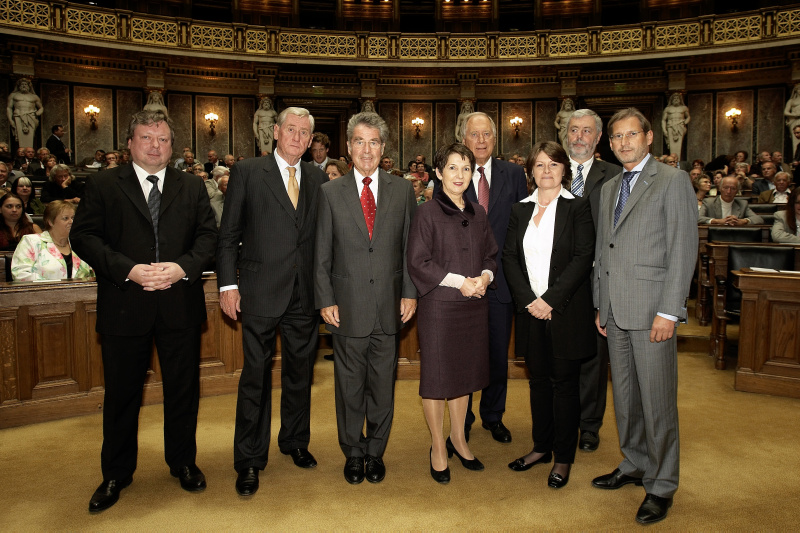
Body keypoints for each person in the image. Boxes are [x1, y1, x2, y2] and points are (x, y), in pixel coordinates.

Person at [71, 110, 217, 513]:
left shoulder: (191, 186)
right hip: (124, 305)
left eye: (164, 139)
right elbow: (83, 235)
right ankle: (116, 473)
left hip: (179, 305)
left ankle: (183, 463)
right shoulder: (103, 184)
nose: (156, 145)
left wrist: (183, 266)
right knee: (122, 395)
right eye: (148, 138)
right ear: (130, 143)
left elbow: (209, 236)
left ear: (173, 145)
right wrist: (128, 270)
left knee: (183, 391)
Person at [592, 107, 698, 525]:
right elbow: (605, 250)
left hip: (654, 311)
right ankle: (634, 462)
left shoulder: (672, 182)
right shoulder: (608, 188)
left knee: (657, 403)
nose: (623, 143)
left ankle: (661, 484)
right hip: (615, 310)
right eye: (616, 137)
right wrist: (601, 303)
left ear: (649, 137)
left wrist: (670, 311)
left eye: (630, 135)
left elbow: (683, 250)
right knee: (627, 399)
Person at [217, 107, 328, 496]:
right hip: (260, 291)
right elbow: (228, 235)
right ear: (276, 132)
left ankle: (295, 440)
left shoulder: (317, 179)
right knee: (255, 378)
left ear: (311, 141)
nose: (297, 137)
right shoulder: (248, 172)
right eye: (291, 130)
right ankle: (249, 459)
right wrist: (227, 285)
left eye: (305, 133)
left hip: (304, 295)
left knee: (300, 374)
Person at [314, 111, 417, 485]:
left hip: (390, 307)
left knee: (382, 388)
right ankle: (352, 452)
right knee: (349, 386)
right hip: (347, 307)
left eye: (374, 142)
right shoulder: (329, 192)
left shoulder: (402, 190)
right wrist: (325, 299)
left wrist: (409, 292)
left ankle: (375, 451)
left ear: (384, 148)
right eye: (359, 141)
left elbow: (409, 249)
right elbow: (321, 253)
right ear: (348, 147)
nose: (367, 149)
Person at [503, 141, 595, 489]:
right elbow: (509, 258)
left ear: (564, 171)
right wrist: (529, 300)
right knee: (538, 382)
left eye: (553, 165)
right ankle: (541, 447)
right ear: (531, 172)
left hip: (565, 312)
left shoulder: (578, 207)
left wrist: (550, 301)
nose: (546, 171)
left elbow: (582, 257)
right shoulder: (518, 210)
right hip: (530, 312)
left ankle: (564, 457)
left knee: (565, 386)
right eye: (539, 165)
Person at [407, 143, 497, 484]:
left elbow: (491, 255)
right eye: (453, 168)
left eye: (466, 168)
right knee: (437, 380)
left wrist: (485, 278)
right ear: (440, 172)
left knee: (465, 377)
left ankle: (459, 439)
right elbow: (419, 262)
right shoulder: (426, 212)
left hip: (474, 306)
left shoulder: (478, 212)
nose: (460, 175)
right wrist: (460, 282)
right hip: (440, 308)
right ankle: (437, 447)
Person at [460, 111, 528, 443]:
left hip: (501, 284)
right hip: (463, 285)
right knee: (466, 356)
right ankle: (464, 419)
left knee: (498, 355)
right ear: (464, 139)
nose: (482, 140)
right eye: (475, 135)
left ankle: (493, 415)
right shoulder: (453, 173)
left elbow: (521, 229)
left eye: (487, 134)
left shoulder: (514, 174)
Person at [564, 109, 622, 453]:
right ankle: (563, 418)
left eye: (587, 131)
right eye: (573, 130)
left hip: (598, 280)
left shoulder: (614, 175)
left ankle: (589, 425)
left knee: (594, 357)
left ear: (598, 137)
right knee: (560, 354)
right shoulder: (548, 170)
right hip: (557, 281)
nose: (579, 137)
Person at [11, 200, 93, 281]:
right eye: (65, 218)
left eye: (73, 218)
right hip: (43, 293)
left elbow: (92, 273)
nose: (71, 222)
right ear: (50, 222)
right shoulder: (31, 241)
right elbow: (20, 274)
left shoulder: (81, 244)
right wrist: (55, 287)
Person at [698, 177, 764, 225]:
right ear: (720, 189)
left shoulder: (742, 204)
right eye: (726, 188)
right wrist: (717, 221)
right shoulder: (709, 202)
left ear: (737, 191)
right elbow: (698, 218)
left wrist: (743, 221)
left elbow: (759, 219)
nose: (729, 191)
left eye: (733, 188)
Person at [6, 78, 43, 151]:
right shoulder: (13, 95)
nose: (24, 86)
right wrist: (10, 120)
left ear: (29, 86)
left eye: (25, 84)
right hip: (18, 116)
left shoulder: (34, 97)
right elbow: (9, 108)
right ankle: (21, 153)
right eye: (22, 84)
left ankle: (30, 152)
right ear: (19, 86)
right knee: (19, 138)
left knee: (31, 137)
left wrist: (37, 113)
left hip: (31, 116)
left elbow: (41, 108)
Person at [662, 93, 690, 161]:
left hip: (680, 126)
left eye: (677, 98)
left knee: (679, 145)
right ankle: (672, 160)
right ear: (671, 100)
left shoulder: (684, 108)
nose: (676, 100)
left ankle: (678, 161)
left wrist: (685, 122)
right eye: (674, 98)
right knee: (671, 145)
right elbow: (663, 120)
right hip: (670, 126)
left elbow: (688, 117)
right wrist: (664, 130)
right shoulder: (668, 109)